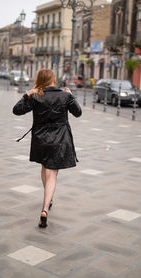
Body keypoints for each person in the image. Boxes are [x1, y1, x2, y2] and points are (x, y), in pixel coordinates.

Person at [12, 69, 82, 228]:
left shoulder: (36, 95)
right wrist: (71, 96)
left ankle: (48, 199)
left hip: (41, 139)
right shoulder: (65, 95)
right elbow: (78, 113)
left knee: (45, 168)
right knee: (52, 174)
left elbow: (16, 110)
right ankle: (45, 208)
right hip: (59, 140)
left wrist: (28, 93)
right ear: (53, 80)